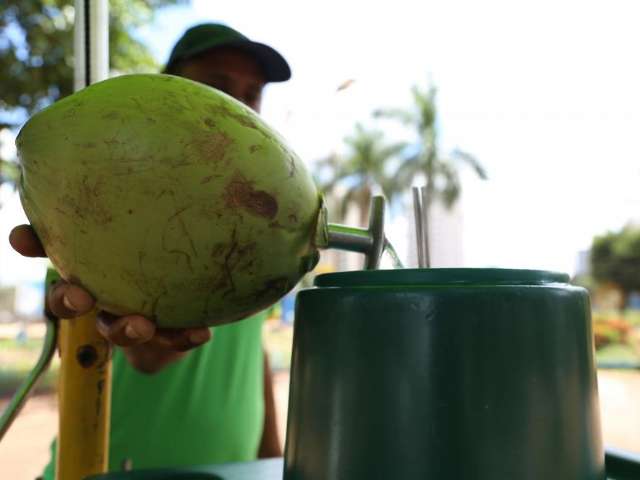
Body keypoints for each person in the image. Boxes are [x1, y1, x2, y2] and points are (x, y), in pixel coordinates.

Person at [9, 22, 291, 476]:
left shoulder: (255, 232)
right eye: (218, 87)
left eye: (252, 93)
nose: (240, 105)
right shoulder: (87, 215)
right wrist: (152, 333)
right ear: (172, 95)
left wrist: (273, 460)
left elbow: (250, 355)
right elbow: (140, 350)